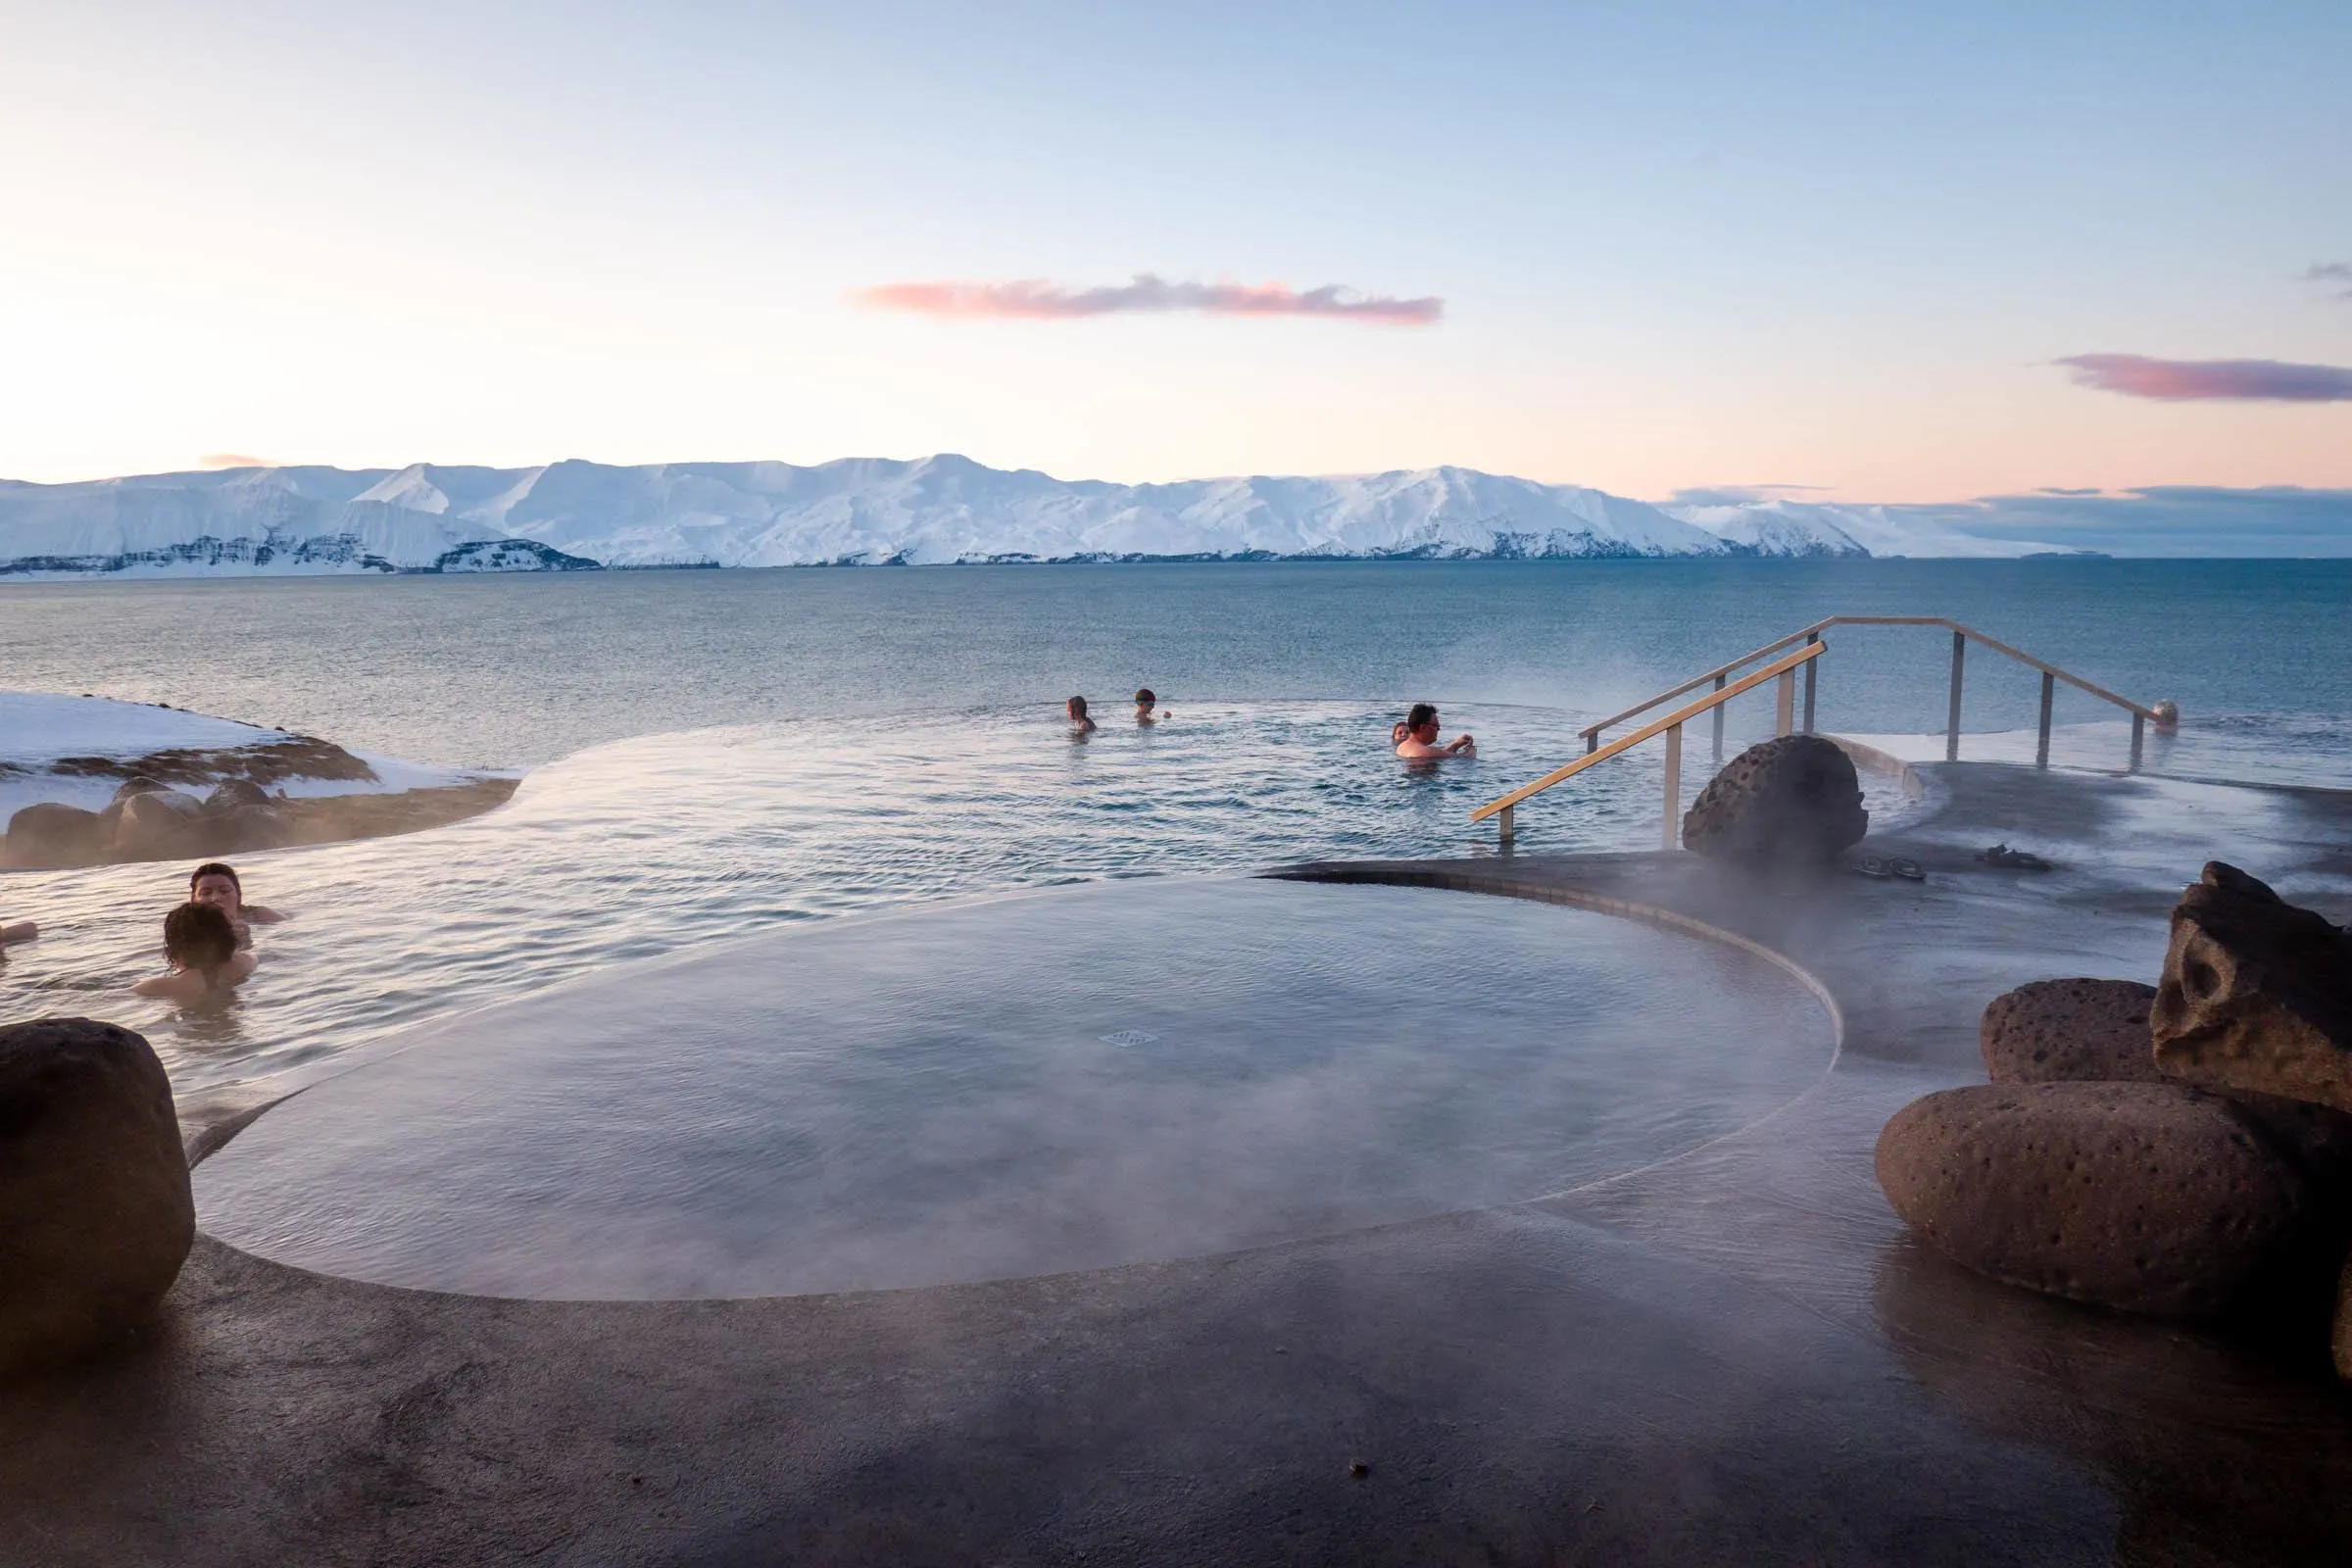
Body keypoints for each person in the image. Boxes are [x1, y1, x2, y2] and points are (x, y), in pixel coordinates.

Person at [134, 901, 256, 1003]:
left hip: (192, 1024)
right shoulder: (246, 962)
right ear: (228, 939)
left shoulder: (163, 986)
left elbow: (119, 997)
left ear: (174, 949)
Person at [189, 861, 283, 948]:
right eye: (206, 893)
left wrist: (246, 941)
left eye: (225, 891)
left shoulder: (259, 915)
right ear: (193, 899)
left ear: (238, 894)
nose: (215, 898)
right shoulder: (185, 927)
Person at [1395, 703, 1475, 759]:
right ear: (1423, 727)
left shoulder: (1402, 747)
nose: (1438, 730)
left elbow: (1440, 753)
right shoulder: (1426, 752)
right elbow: (1465, 758)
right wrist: (1472, 750)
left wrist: (1456, 744)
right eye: (1436, 726)